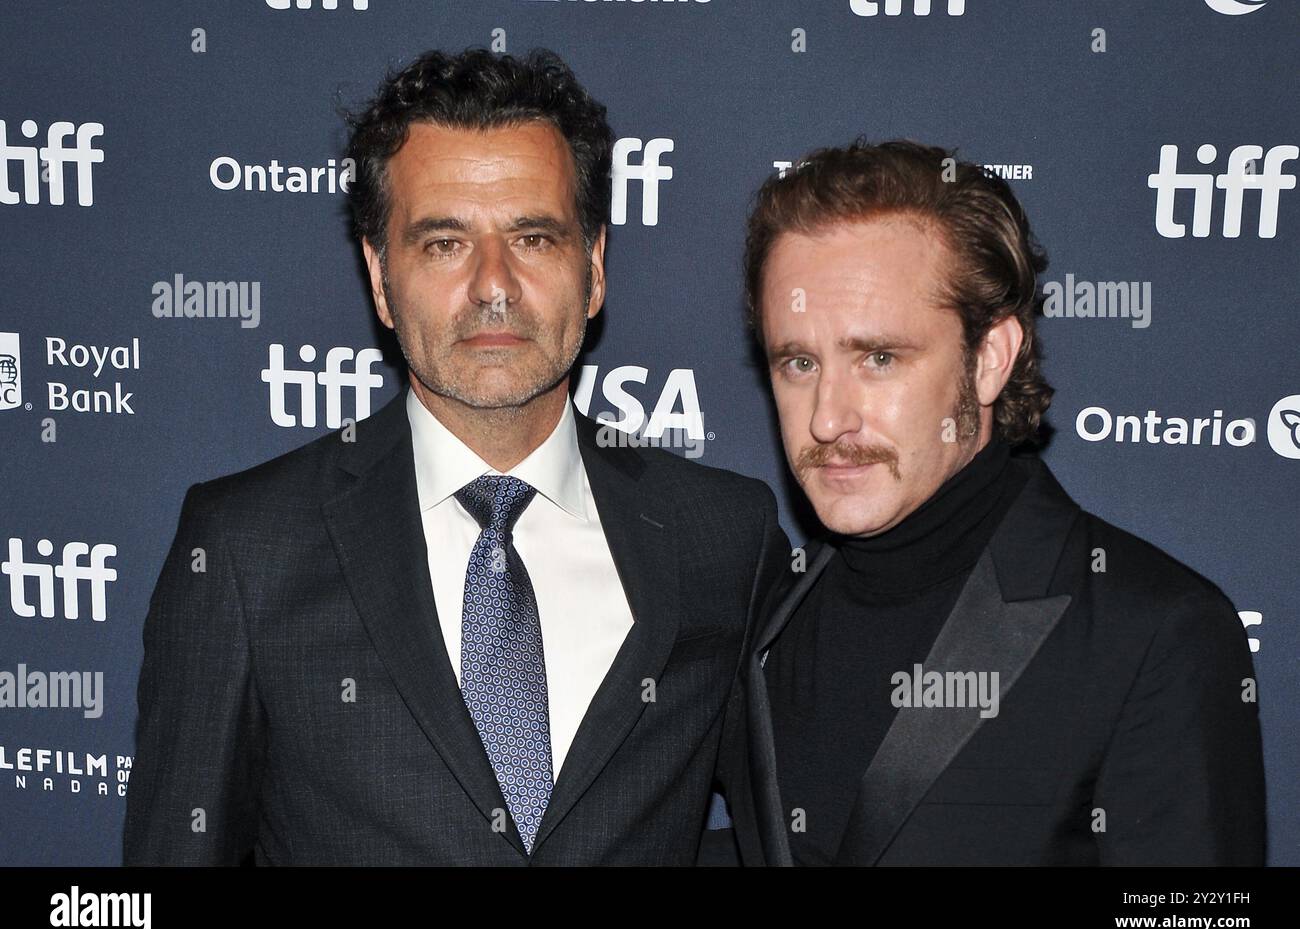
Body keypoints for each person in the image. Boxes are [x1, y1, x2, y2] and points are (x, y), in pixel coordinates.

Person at [123, 47, 788, 865]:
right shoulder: (242, 548)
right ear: (379, 278)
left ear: (595, 268)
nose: (493, 286)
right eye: (443, 243)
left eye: (534, 237)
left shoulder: (725, 536)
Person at [711, 139, 1266, 866]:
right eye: (800, 362)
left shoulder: (1156, 633)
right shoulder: (760, 616)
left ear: (989, 360)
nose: (826, 419)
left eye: (879, 358)